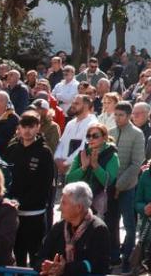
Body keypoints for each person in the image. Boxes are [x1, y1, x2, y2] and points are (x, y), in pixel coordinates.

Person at [4, 112, 56, 268]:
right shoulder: (12, 148)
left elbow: (45, 184)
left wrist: (24, 202)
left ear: (38, 127)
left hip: (35, 213)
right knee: (17, 253)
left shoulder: (44, 152)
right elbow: (6, 177)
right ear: (18, 128)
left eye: (31, 126)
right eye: (24, 126)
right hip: (14, 211)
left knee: (35, 255)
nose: (27, 131)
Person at [37, 181, 110, 276]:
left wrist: (65, 269)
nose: (59, 208)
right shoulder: (58, 227)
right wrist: (46, 266)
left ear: (78, 207)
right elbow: (40, 257)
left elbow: (98, 266)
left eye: (64, 203)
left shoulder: (98, 230)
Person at [109, 101, 144, 270]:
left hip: (128, 187)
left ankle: (128, 258)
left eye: (121, 115)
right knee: (111, 222)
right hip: (110, 187)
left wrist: (120, 185)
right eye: (115, 114)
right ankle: (114, 256)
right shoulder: (110, 132)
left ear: (129, 116)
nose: (117, 118)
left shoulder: (137, 134)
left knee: (129, 225)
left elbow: (136, 164)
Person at [65, 123, 120, 219]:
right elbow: (69, 179)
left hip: (102, 207)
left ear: (104, 137)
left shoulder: (112, 155)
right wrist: (83, 168)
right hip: (80, 202)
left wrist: (96, 167)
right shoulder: (83, 153)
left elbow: (108, 182)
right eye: (88, 136)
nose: (91, 139)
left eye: (95, 136)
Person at [55, 95, 99, 175]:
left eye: (76, 103)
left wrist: (66, 163)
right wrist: (57, 158)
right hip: (62, 169)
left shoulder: (93, 124)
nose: (72, 105)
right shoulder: (70, 123)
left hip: (79, 170)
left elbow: (84, 148)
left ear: (86, 106)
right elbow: (62, 142)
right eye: (73, 103)